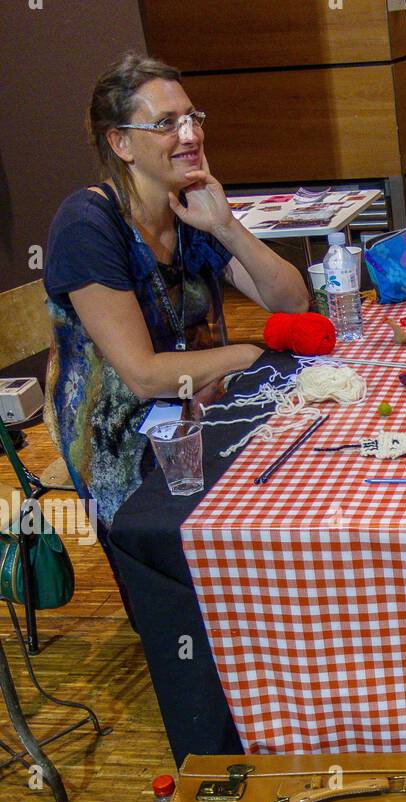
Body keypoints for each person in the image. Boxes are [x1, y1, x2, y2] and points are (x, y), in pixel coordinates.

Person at [43, 52, 309, 533]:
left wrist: (226, 225)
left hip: (208, 408)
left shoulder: (189, 208)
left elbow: (292, 302)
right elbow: (143, 377)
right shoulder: (88, 224)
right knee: (265, 505)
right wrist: (245, 355)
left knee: (302, 472)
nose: (190, 135)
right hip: (125, 443)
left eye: (191, 118)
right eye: (167, 123)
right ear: (121, 142)